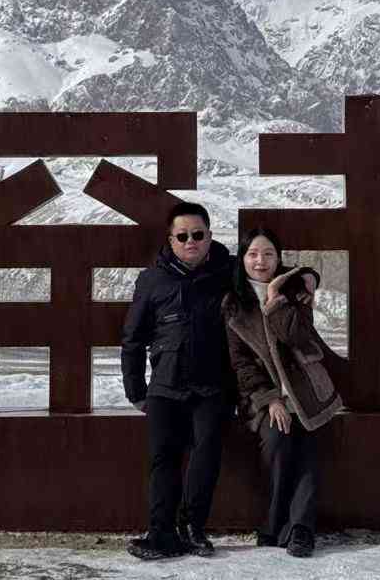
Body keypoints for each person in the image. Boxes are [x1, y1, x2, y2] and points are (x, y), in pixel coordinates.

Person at [121, 200, 236, 561]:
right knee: (163, 458)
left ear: (209, 236)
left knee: (207, 453)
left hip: (212, 385)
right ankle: (161, 534)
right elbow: (133, 338)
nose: (191, 242)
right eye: (183, 236)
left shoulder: (229, 271)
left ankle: (192, 528)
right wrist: (135, 391)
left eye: (198, 235)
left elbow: (271, 269)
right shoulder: (151, 280)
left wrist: (308, 277)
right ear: (170, 240)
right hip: (165, 385)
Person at [222, 229, 341, 559]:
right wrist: (270, 398)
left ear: (278, 258)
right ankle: (276, 523)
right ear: (242, 258)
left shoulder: (295, 290)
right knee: (278, 440)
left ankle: (301, 529)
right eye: (253, 254)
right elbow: (240, 362)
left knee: (307, 446)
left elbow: (298, 337)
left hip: (306, 390)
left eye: (268, 254)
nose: (260, 261)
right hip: (265, 396)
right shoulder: (233, 303)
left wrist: (275, 298)